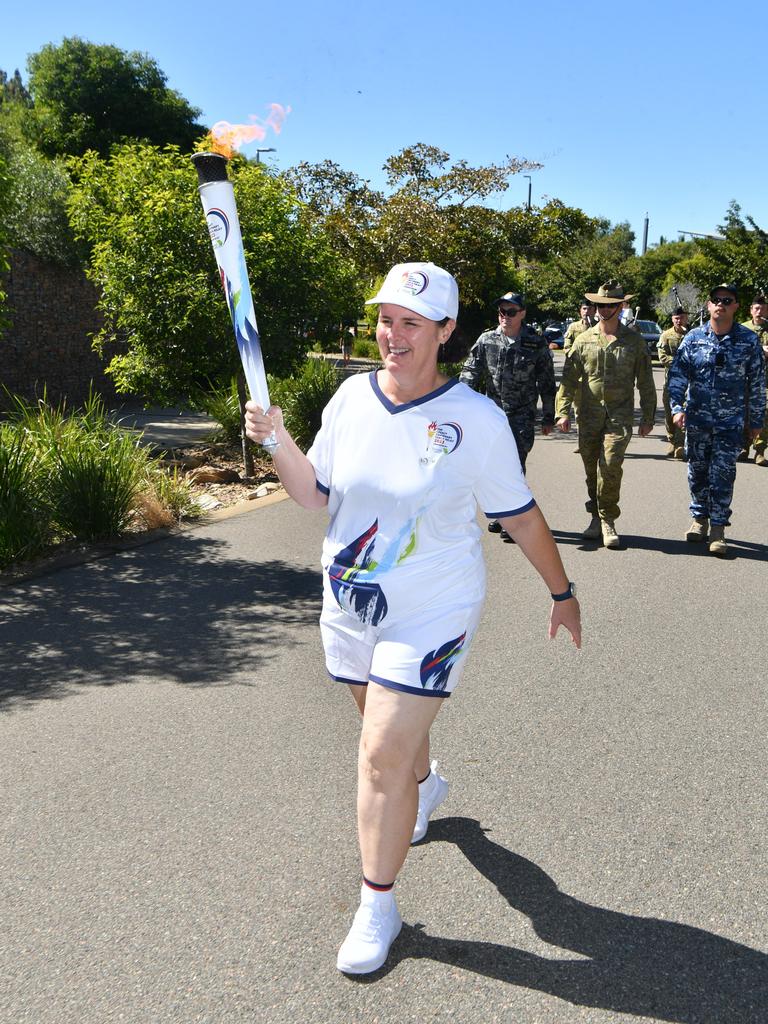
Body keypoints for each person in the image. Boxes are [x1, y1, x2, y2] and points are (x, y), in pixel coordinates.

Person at [245, 261, 581, 975]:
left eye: (411, 323)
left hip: (433, 611)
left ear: (447, 331)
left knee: (379, 755)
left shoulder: (478, 421)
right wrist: (278, 442)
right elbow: (315, 497)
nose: (392, 335)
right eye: (386, 319)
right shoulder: (350, 399)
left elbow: (519, 517)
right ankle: (426, 787)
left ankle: (379, 903)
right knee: (389, 742)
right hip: (351, 606)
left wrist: (562, 591)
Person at [555, 280, 656, 549]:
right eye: (599, 304)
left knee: (610, 465)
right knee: (591, 469)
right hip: (588, 414)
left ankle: (608, 518)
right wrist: (562, 412)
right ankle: (594, 517)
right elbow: (568, 379)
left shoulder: (634, 342)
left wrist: (648, 416)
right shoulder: (583, 339)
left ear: (621, 306)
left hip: (619, 416)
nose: (603, 309)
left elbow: (645, 381)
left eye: (610, 305)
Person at [668, 283, 766, 556]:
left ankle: (719, 527)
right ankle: (700, 518)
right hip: (697, 419)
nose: (720, 304)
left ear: (735, 306)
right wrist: (677, 408)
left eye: (727, 300)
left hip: (730, 421)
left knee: (723, 472)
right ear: (709, 305)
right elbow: (677, 376)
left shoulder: (748, 340)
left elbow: (757, 383)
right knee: (697, 472)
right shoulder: (693, 338)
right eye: (716, 299)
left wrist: (756, 419)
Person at [460, 290, 556, 541]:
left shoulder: (535, 343)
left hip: (521, 416)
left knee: (514, 467)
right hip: (491, 415)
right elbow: (470, 372)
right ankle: (500, 514)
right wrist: (462, 405)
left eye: (511, 312)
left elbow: (546, 383)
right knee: (490, 465)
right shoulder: (487, 339)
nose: (505, 316)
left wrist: (548, 416)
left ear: (522, 313)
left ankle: (514, 522)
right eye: (502, 311)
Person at [562, 299, 596, 455]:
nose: (586, 312)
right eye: (584, 309)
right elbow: (567, 347)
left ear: (595, 311)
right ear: (579, 311)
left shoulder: (599, 327)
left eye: (589, 309)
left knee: (596, 411)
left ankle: (597, 442)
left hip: (595, 377)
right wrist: (578, 355)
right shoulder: (573, 327)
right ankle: (582, 442)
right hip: (578, 377)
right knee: (579, 411)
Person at [739, 294, 768, 465]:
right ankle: (743, 447)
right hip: (744, 380)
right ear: (751, 310)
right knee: (743, 414)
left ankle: (760, 450)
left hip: (765, 382)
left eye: (763, 308)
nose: (759, 311)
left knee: (764, 414)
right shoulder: (742, 329)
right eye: (756, 308)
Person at [657, 305, 690, 458]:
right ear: (672, 319)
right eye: (676, 318)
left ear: (686, 318)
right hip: (670, 381)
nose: (679, 320)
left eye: (682, 317)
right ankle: (671, 439)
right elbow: (662, 357)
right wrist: (680, 362)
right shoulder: (666, 335)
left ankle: (679, 443)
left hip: (688, 383)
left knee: (683, 411)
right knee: (669, 413)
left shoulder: (691, 335)